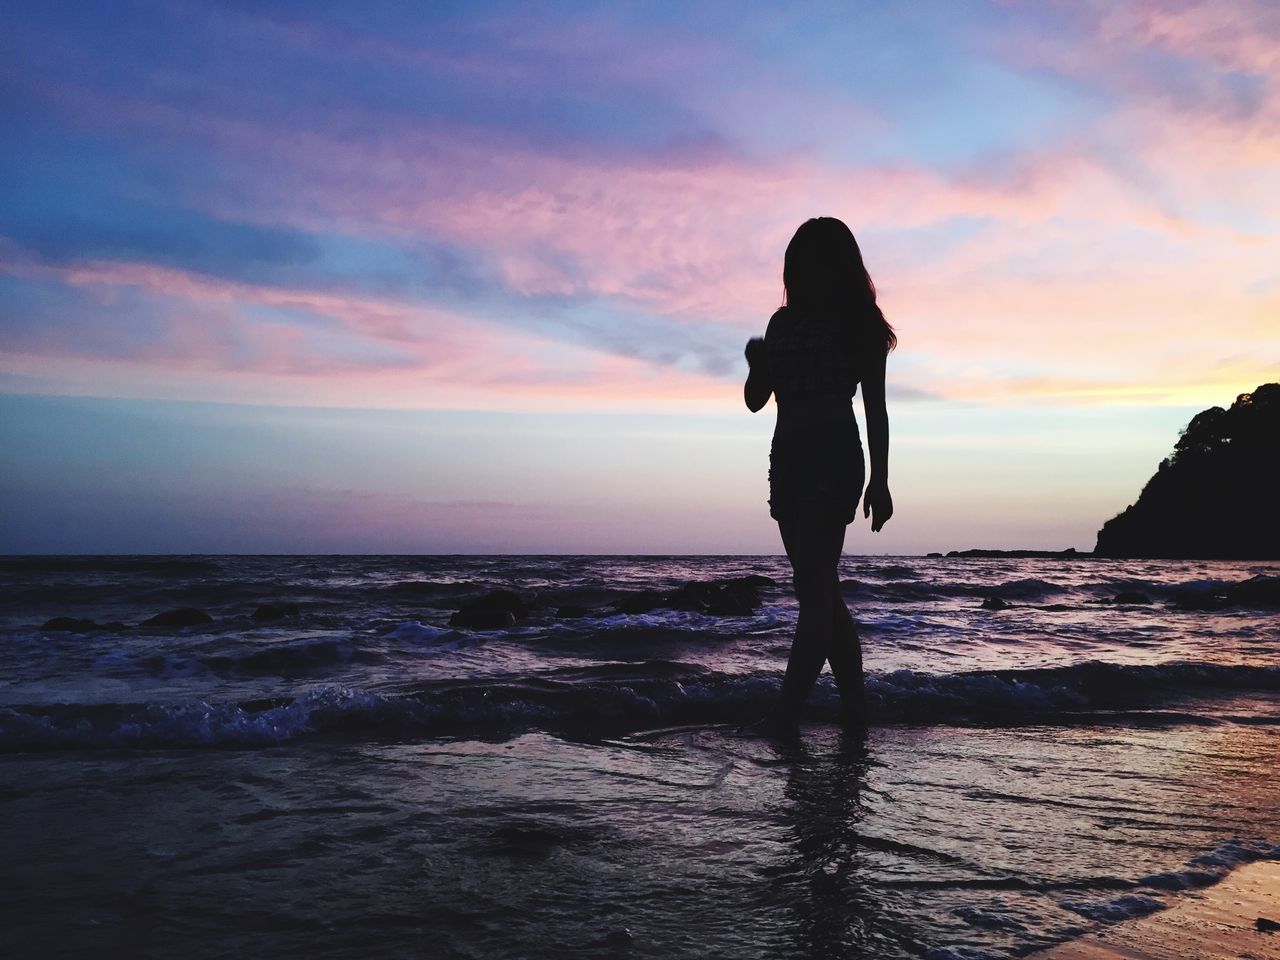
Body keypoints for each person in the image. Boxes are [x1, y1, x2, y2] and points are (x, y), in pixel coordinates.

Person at [743, 217, 895, 736]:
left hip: (833, 455)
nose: (804, 270)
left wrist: (881, 479)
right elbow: (756, 400)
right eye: (798, 261)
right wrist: (755, 365)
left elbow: (875, 408)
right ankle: (856, 705)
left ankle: (786, 715)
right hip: (787, 458)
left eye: (815, 260)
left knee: (813, 587)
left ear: (838, 266)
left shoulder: (858, 324)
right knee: (820, 587)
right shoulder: (781, 323)